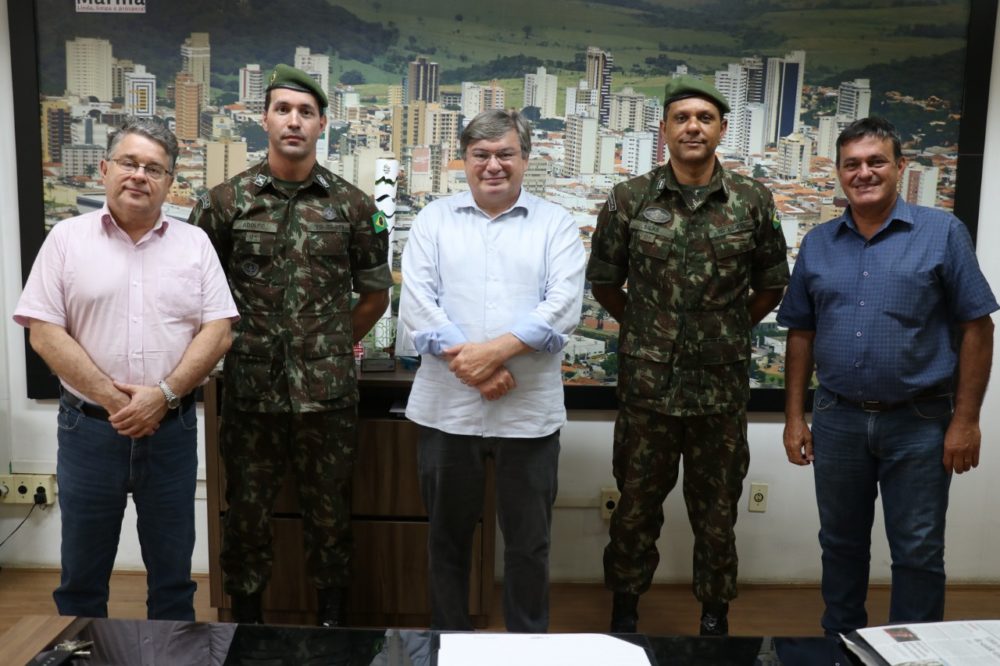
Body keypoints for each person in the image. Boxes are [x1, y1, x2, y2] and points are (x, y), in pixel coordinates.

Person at [189, 64, 392, 626]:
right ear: (265, 119)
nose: (294, 121)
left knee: (331, 517)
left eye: (306, 112)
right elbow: (196, 294)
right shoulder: (224, 203)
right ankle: (247, 624)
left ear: (323, 124)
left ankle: (331, 625)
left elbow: (375, 296)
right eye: (283, 109)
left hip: (327, 398)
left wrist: (327, 348)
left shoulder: (354, 206)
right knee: (246, 516)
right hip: (250, 392)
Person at [777, 116, 997, 636]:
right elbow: (801, 333)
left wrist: (966, 421)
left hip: (920, 421)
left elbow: (977, 327)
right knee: (840, 544)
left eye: (876, 161)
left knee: (918, 549)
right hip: (838, 418)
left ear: (899, 167)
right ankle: (842, 643)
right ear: (838, 173)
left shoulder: (943, 233)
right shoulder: (818, 243)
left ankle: (913, 652)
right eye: (852, 164)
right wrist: (794, 417)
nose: (864, 173)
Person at [13, 117, 238, 620]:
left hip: (171, 431)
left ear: (170, 181)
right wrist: (118, 402)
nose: (139, 175)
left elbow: (219, 331)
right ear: (104, 169)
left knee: (174, 583)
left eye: (154, 168)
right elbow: (44, 332)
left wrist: (163, 395)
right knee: (81, 582)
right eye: (129, 163)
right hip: (90, 431)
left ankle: (170, 654)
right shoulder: (66, 239)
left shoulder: (195, 245)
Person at [588, 76, 789, 635]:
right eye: (681, 118)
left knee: (718, 514)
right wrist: (648, 329)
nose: (693, 127)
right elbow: (604, 282)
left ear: (722, 130)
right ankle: (625, 614)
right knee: (634, 508)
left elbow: (772, 284)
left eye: (704, 118)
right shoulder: (629, 198)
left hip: (718, 392)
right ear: (665, 130)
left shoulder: (752, 200)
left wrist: (727, 330)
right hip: (647, 390)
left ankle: (714, 619)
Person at [399, 109, 585, 632]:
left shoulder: (556, 224)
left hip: (528, 414)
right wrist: (479, 370)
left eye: (505, 153)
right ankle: (449, 642)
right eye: (481, 155)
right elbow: (418, 305)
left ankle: (528, 647)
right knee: (447, 540)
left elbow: (562, 308)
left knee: (529, 544)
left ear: (525, 158)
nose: (493, 165)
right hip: (447, 411)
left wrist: (493, 355)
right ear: (464, 160)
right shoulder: (434, 220)